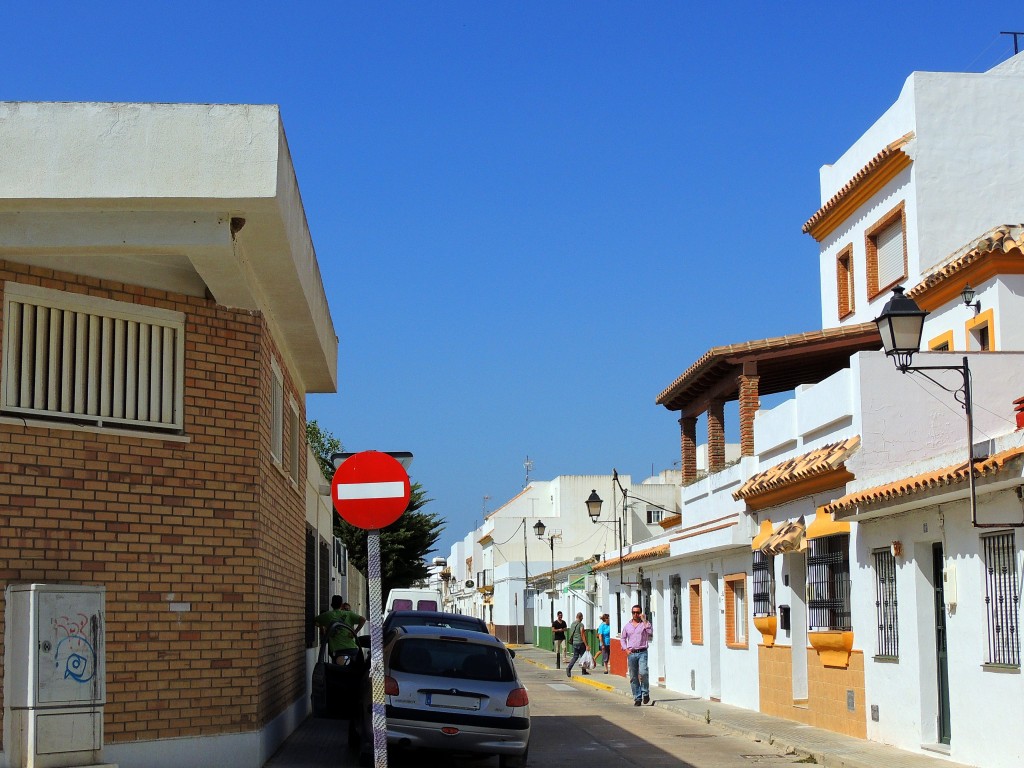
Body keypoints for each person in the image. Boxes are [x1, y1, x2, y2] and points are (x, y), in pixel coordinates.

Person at [314, 595, 366, 663]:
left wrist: (323, 627)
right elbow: (363, 619)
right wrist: (355, 632)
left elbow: (315, 621)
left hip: (337, 650)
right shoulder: (349, 614)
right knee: (354, 670)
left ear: (331, 604)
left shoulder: (327, 615)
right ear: (341, 605)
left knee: (337, 670)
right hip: (352, 649)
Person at [620, 604, 653, 705]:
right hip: (632, 653)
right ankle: (637, 698)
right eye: (634, 612)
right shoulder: (627, 626)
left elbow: (650, 632)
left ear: (640, 613)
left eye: (637, 612)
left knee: (643, 673)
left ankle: (645, 693)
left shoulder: (644, 624)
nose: (635, 614)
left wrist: (644, 621)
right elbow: (623, 639)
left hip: (642, 651)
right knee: (633, 676)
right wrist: (626, 649)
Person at [564, 612, 590, 677]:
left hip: (574, 642)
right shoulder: (581, 625)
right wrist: (586, 644)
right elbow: (582, 634)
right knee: (583, 657)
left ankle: (569, 668)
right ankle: (583, 671)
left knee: (575, 657)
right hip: (580, 642)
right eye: (582, 617)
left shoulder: (572, 624)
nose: (583, 618)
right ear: (580, 617)